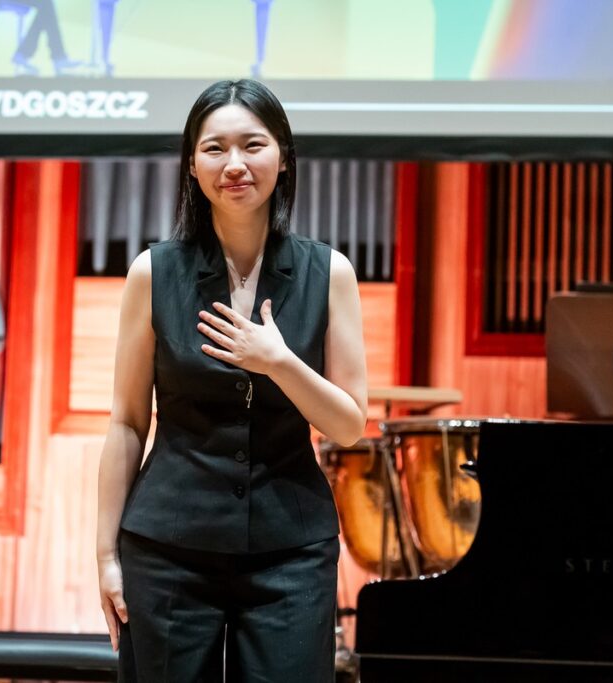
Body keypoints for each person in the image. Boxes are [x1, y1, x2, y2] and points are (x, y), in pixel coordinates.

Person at [95, 79, 368, 682]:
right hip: (167, 547)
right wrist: (106, 555)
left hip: (291, 554)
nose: (235, 164)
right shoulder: (153, 272)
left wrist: (280, 362)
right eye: (214, 148)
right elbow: (127, 422)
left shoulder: (330, 273)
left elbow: (349, 425)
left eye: (254, 145)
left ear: (284, 156)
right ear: (192, 165)